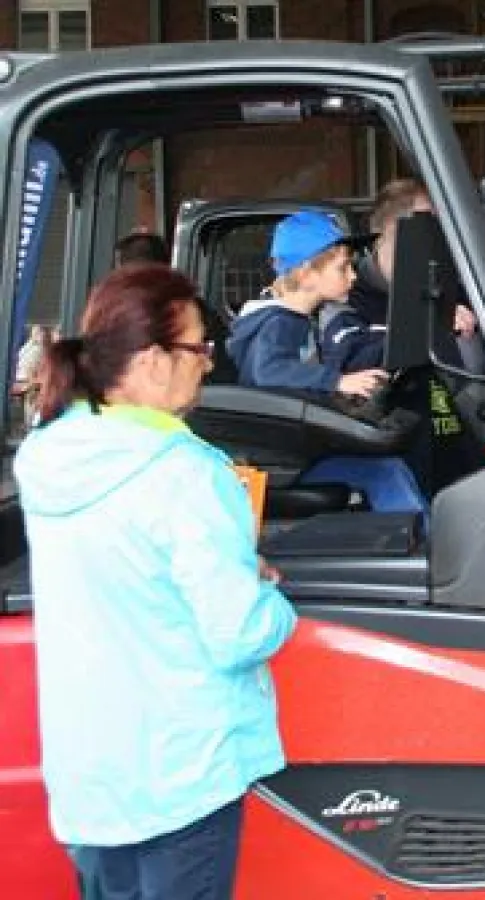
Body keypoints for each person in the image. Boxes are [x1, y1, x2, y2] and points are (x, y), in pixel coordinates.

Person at [14, 263, 298, 899]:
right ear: (150, 362)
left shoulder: (50, 457)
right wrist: (273, 599)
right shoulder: (188, 474)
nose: (207, 362)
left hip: (91, 776)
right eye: (197, 347)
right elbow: (238, 633)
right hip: (181, 775)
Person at [320, 180, 485, 497]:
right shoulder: (349, 295)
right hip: (397, 446)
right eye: (431, 230)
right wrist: (430, 327)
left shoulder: (448, 285)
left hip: (463, 442)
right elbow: (353, 359)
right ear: (394, 233)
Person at [226, 208, 386, 398]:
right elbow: (267, 372)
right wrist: (337, 381)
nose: (353, 275)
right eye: (343, 268)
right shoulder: (279, 322)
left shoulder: (296, 317)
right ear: (306, 274)